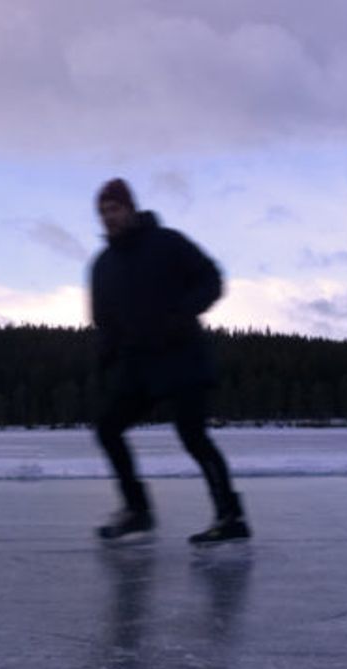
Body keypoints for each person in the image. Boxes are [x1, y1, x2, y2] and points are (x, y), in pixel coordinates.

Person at [89, 177, 250, 544]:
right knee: (107, 427)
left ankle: (230, 517)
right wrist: (104, 359)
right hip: (138, 366)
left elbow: (211, 278)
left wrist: (183, 313)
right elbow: (104, 321)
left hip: (182, 358)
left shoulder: (167, 243)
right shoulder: (103, 265)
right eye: (102, 212)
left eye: (114, 209)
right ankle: (137, 510)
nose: (108, 218)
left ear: (130, 208)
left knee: (192, 435)